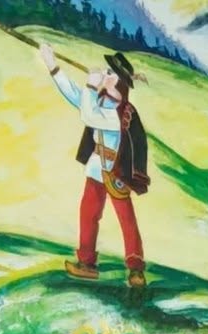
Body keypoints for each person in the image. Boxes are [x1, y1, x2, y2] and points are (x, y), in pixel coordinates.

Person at [39, 43, 150, 290]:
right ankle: (87, 263)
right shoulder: (100, 102)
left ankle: (136, 269)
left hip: (117, 172)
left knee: (126, 220)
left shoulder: (121, 113)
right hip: (96, 168)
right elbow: (74, 95)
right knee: (88, 214)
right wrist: (52, 65)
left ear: (118, 82)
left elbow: (88, 116)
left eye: (110, 73)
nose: (105, 74)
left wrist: (90, 86)